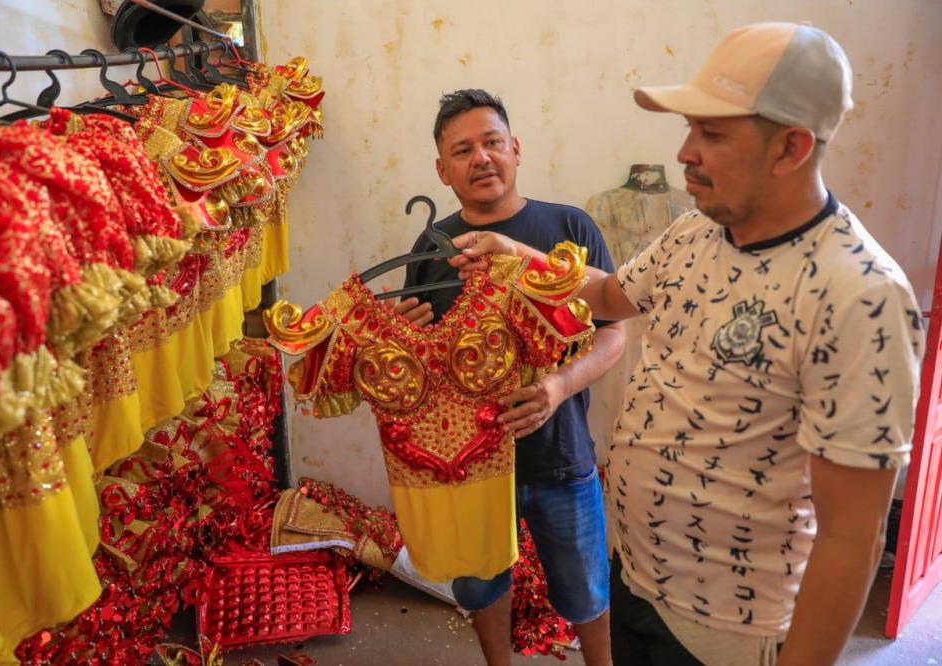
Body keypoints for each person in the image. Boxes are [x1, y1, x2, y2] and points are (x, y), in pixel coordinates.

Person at [447, 24, 923, 666]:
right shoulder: (695, 235)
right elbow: (607, 296)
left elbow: (852, 536)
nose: (685, 153)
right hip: (637, 582)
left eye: (713, 134)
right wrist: (512, 253)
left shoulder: (859, 295)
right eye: (690, 128)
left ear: (791, 147)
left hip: (727, 632)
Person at [387, 89, 626, 666]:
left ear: (515, 149)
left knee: (587, 589)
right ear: (443, 171)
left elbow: (613, 333)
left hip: (560, 453)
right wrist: (403, 339)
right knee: (480, 587)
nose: (482, 158)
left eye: (492, 142)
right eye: (463, 150)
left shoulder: (570, 227)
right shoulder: (432, 247)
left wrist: (558, 387)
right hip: (465, 461)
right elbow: (416, 354)